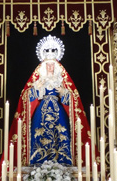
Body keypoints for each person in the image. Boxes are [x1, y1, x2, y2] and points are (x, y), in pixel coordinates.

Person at [10, 35, 90, 166]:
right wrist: (37, 88)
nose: (50, 67)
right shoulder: (39, 80)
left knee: (61, 131)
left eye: (52, 65)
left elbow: (73, 99)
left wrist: (63, 92)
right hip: (42, 110)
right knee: (38, 132)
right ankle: (38, 161)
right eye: (48, 65)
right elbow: (26, 97)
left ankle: (63, 160)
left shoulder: (61, 79)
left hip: (58, 111)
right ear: (44, 66)